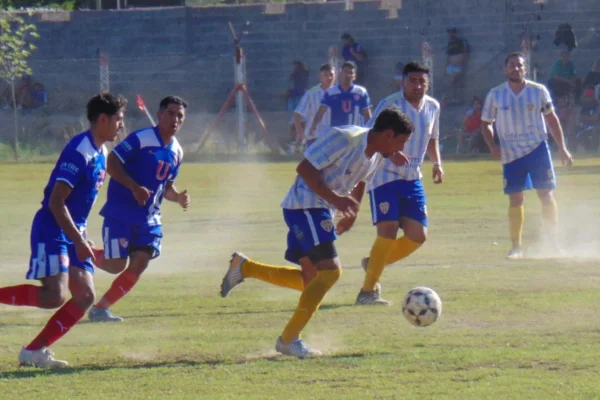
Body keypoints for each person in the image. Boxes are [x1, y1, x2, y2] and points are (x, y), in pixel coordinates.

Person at [220, 107, 414, 358]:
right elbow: (304, 168)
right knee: (331, 271)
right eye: (401, 142)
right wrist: (336, 199)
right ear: (387, 134)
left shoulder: (377, 154)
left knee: (310, 282)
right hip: (306, 205)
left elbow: (361, 180)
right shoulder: (345, 138)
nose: (401, 150)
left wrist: (351, 210)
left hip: (320, 209)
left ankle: (245, 268)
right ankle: (288, 340)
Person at [0, 92, 126, 368]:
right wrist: (78, 239)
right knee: (53, 296)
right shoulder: (80, 151)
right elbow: (57, 202)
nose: (121, 126)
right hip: (53, 227)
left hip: (73, 230)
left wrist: (80, 234)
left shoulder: (101, 151)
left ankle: (34, 351)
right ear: (103, 119)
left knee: (85, 296)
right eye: (119, 120)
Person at [87, 96, 191, 322]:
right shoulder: (141, 139)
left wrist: (178, 197)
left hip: (149, 218)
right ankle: (82, 250)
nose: (175, 119)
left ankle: (101, 309)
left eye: (180, 116)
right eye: (171, 113)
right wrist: (134, 187)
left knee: (141, 261)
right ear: (160, 115)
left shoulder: (178, 152)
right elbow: (112, 162)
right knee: (115, 265)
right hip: (121, 213)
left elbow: (167, 187)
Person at [357, 61, 443, 305]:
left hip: (412, 177)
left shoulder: (433, 107)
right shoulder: (390, 105)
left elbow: (432, 139)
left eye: (422, 81)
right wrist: (389, 152)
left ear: (427, 84)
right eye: (413, 80)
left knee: (418, 235)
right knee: (388, 230)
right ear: (403, 82)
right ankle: (368, 292)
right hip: (384, 176)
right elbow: (370, 135)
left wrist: (437, 163)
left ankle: (374, 262)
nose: (417, 85)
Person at [481, 52, 573, 260]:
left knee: (546, 195)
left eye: (519, 65)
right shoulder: (495, 94)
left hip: (537, 149)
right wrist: (492, 145)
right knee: (515, 198)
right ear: (505, 69)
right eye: (512, 65)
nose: (516, 68)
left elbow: (551, 119)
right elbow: (485, 122)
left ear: (525, 68)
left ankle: (553, 242)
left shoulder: (538, 91)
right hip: (511, 153)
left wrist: (563, 147)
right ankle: (516, 247)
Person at [308, 61, 372, 138]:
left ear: (354, 76)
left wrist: (369, 130)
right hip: (336, 133)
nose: (348, 75)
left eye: (351, 73)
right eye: (345, 72)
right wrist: (314, 125)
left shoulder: (361, 92)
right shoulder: (331, 92)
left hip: (355, 134)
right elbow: (320, 112)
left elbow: (367, 114)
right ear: (340, 74)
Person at [293, 64, 336, 149]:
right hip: (314, 137)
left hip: (332, 137)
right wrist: (300, 132)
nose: (329, 78)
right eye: (326, 75)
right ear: (321, 77)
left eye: (331, 75)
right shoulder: (311, 93)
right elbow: (297, 114)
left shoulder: (338, 93)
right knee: (313, 162)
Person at [445, 28, 469, 105]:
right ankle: (454, 98)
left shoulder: (460, 42)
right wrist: (447, 65)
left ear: (455, 33)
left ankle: (458, 98)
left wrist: (462, 62)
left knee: (457, 81)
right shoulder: (449, 44)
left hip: (458, 66)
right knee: (452, 82)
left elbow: (465, 52)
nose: (450, 35)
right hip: (451, 66)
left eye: (452, 33)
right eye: (449, 33)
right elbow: (448, 55)